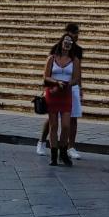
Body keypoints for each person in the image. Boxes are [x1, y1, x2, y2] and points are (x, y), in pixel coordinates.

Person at [36, 23, 85, 159]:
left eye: (77, 33)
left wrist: (79, 87)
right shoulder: (54, 52)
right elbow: (46, 74)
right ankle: (42, 141)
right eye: (73, 33)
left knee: (71, 119)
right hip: (53, 90)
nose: (75, 36)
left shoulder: (78, 52)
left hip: (70, 89)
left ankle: (70, 147)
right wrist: (48, 87)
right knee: (52, 121)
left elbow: (78, 72)